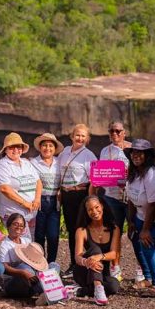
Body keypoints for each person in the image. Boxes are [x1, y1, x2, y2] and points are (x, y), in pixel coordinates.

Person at [123, 139, 155, 297]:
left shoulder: (153, 174)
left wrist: (146, 229)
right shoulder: (134, 172)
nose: (135, 155)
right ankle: (147, 278)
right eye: (133, 152)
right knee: (137, 246)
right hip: (139, 215)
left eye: (140, 153)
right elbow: (130, 199)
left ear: (147, 155)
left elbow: (154, 205)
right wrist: (131, 222)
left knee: (148, 247)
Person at [89, 120, 131, 282]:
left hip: (131, 199)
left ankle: (142, 269)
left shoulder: (133, 148)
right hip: (111, 198)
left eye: (118, 131)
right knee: (115, 233)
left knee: (136, 234)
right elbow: (102, 173)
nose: (115, 134)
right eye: (112, 131)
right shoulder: (105, 151)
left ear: (124, 132)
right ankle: (115, 267)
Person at [58, 124, 97, 278]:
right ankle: (74, 264)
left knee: (83, 230)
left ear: (87, 139)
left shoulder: (89, 155)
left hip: (80, 195)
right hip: (67, 196)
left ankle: (88, 263)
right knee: (71, 230)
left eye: (83, 136)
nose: (80, 138)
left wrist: (90, 201)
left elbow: (94, 181)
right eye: (77, 135)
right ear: (72, 136)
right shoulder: (65, 152)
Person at [0, 213, 60, 298]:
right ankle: (46, 290)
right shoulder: (5, 245)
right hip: (13, 282)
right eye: (15, 224)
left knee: (54, 265)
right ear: (8, 226)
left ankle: (43, 291)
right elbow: (4, 267)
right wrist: (22, 273)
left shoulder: (27, 241)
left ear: (24, 229)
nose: (18, 227)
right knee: (25, 267)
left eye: (21, 226)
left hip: (33, 277)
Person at [73, 195, 121, 306]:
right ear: (86, 212)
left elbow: (114, 254)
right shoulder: (82, 230)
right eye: (90, 209)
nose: (94, 211)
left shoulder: (114, 229)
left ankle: (80, 291)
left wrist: (100, 257)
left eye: (96, 207)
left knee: (114, 286)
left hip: (103, 271)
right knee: (95, 249)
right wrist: (87, 262)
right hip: (84, 270)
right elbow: (77, 257)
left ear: (102, 206)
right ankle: (98, 289)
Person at [0, 132, 42, 240]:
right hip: (13, 212)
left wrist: (37, 199)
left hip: (31, 212)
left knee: (29, 242)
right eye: (12, 147)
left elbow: (38, 181)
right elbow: (4, 189)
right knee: (21, 244)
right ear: (5, 149)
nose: (16, 150)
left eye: (18, 146)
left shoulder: (26, 163)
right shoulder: (1, 166)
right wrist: (25, 203)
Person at [30, 133, 64, 263]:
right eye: (44, 145)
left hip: (55, 201)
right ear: (40, 147)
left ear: (55, 148)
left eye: (50, 146)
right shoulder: (33, 162)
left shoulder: (59, 162)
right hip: (39, 200)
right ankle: (39, 263)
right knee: (39, 235)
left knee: (53, 235)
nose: (47, 148)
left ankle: (51, 263)